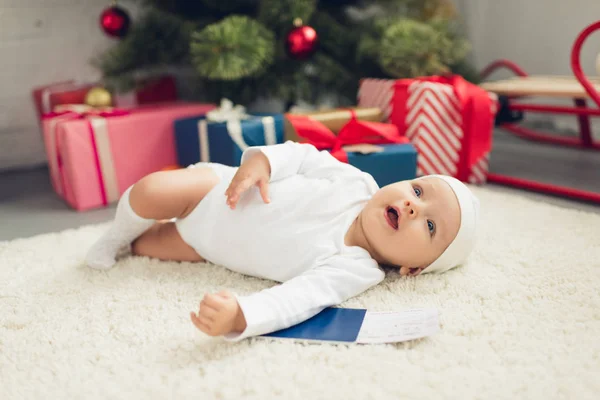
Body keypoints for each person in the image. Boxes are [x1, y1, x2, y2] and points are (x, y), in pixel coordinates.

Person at [85, 141, 479, 341]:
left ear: (414, 269)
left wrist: (244, 316)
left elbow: (300, 299)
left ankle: (129, 241)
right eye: (418, 191)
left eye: (430, 227)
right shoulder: (356, 183)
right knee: (151, 191)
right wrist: (262, 163)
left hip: (203, 248)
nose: (413, 208)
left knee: (143, 246)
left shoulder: (356, 269)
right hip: (218, 191)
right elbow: (306, 156)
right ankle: (112, 236)